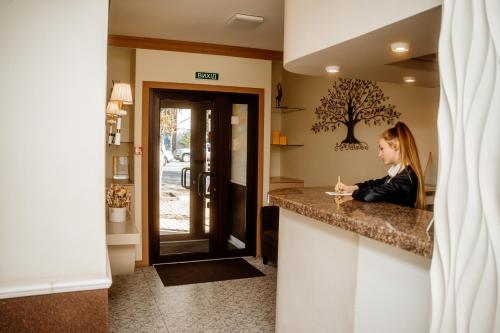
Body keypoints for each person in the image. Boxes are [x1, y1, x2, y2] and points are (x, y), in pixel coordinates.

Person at [335, 122, 425, 209]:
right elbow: (377, 183)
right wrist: (350, 188)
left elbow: (370, 195)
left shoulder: (406, 177)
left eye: (382, 149)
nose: (379, 154)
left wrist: (353, 193)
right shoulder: (400, 173)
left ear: (396, 146)